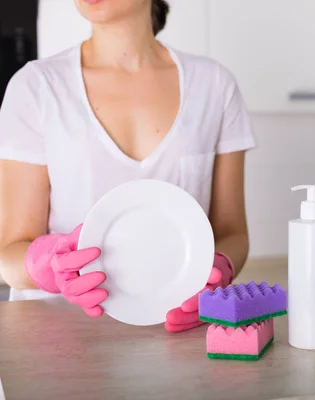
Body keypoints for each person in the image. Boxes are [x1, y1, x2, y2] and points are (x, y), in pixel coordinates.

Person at [0, 0, 255, 333]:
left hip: (175, 341)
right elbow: (10, 254)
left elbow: (232, 233)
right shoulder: (36, 87)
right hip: (58, 341)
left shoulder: (214, 85)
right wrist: (50, 264)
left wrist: (217, 266)